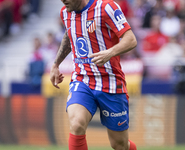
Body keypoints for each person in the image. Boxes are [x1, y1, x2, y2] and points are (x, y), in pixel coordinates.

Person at [50, 0, 137, 150]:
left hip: (110, 82)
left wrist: (110, 53)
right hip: (82, 79)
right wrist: (56, 64)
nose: (63, 1)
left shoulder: (106, 7)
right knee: (77, 123)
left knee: (120, 145)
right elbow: (69, 34)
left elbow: (131, 40)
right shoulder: (65, 12)